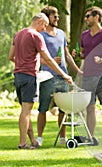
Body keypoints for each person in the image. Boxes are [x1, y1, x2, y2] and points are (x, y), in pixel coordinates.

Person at [8, 13, 72, 149]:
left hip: (18, 76)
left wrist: (21, 64)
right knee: (26, 111)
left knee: (25, 110)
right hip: (29, 76)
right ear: (40, 22)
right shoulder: (36, 36)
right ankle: (22, 143)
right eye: (44, 25)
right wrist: (64, 75)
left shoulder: (18, 34)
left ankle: (33, 141)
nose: (44, 29)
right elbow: (48, 59)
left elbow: (10, 56)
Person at [36, 6, 83, 146]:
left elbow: (67, 55)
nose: (57, 18)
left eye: (57, 15)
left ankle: (63, 138)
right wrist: (49, 61)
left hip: (62, 76)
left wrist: (78, 70)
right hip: (47, 76)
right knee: (43, 107)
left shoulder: (61, 34)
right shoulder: (41, 35)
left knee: (63, 109)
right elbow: (38, 56)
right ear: (46, 17)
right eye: (54, 16)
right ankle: (39, 138)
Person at [76, 6, 102, 146]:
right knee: (90, 107)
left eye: (88, 16)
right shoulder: (84, 35)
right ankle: (90, 138)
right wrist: (78, 55)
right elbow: (82, 53)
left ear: (97, 17)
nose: (86, 19)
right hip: (87, 75)